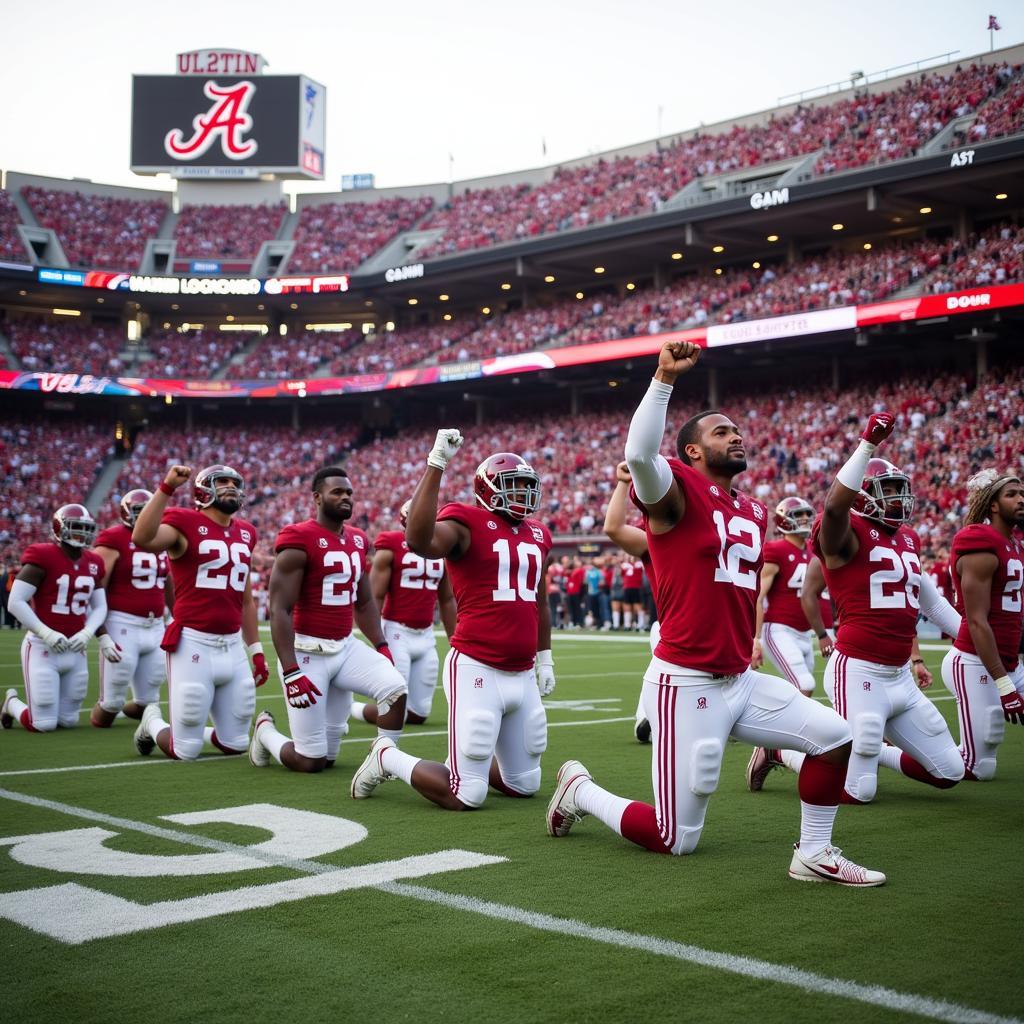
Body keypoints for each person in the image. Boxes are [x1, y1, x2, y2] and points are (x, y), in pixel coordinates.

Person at [547, 340, 885, 886]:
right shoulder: (677, 491)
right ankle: (581, 791)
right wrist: (663, 378)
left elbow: (743, 591)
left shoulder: (752, 508)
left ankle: (814, 853)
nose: (736, 435)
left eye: (737, 429)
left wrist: (750, 640)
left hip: (739, 675)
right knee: (674, 838)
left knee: (835, 738)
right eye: (721, 431)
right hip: (686, 679)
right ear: (692, 453)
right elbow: (638, 456)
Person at [748, 413, 964, 802]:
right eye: (888, 490)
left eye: (900, 489)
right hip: (859, 671)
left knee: (951, 772)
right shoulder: (845, 532)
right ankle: (780, 751)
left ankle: (866, 753)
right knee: (858, 792)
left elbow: (933, 603)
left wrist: (983, 651)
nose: (897, 498)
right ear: (863, 494)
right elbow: (832, 509)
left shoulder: (909, 538)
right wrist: (867, 445)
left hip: (899, 676)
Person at [349, 433, 555, 811]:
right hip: (478, 664)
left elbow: (540, 601)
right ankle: (387, 757)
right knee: (467, 795)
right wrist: (437, 463)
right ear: (488, 488)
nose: (524, 493)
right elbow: (419, 540)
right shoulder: (465, 520)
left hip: (522, 671)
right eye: (515, 485)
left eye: (529, 485)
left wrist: (545, 659)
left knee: (525, 784)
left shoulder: (539, 533)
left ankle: (464, 765)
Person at [249, 467, 408, 773]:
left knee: (395, 688)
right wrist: (291, 670)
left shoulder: (359, 539)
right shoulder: (299, 537)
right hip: (307, 652)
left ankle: (385, 761)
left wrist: (381, 644)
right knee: (312, 761)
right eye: (337, 492)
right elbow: (279, 608)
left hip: (345, 647)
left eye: (349, 492)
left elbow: (363, 601)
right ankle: (265, 732)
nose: (346, 497)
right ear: (318, 498)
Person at [129, 464, 269, 760]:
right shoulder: (184, 522)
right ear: (204, 490)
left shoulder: (247, 532)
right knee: (186, 750)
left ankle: (183, 729)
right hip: (193, 641)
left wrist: (255, 650)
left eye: (235, 482)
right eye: (222, 482)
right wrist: (166, 487)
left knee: (236, 744)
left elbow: (245, 600)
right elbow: (142, 539)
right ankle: (153, 723)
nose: (231, 486)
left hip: (231, 644)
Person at [941, 469, 1024, 780]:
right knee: (978, 768)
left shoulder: (1013, 543)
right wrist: (1004, 685)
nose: (1021, 499)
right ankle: (883, 750)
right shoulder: (980, 540)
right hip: (976, 663)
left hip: (1008, 661)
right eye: (1012, 494)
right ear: (992, 504)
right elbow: (977, 620)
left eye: (1022, 493)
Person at [2, 505, 110, 732]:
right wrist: (46, 633)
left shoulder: (93, 562)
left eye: (85, 528)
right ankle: (11, 704)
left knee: (68, 720)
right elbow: (15, 601)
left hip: (75, 646)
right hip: (43, 646)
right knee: (43, 724)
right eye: (76, 527)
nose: (82, 533)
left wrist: (87, 632)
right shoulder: (42, 555)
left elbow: (100, 607)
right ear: (60, 528)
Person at [349, 498, 456, 726]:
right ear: (407, 520)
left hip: (425, 635)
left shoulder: (441, 550)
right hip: (397, 632)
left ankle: (352, 708)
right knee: (394, 703)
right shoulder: (392, 545)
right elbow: (375, 596)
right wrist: (378, 639)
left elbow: (447, 599)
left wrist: (455, 641)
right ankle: (351, 710)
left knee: (418, 713)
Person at [89, 489, 172, 728]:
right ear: (126, 513)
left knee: (149, 703)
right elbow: (95, 586)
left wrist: (177, 616)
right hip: (122, 623)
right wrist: (101, 631)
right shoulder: (114, 537)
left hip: (155, 625)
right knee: (110, 705)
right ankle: (104, 713)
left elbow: (167, 581)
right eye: (140, 511)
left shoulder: (161, 538)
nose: (147, 515)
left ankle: (125, 712)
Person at [603, 459, 659, 743]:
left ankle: (647, 716)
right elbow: (613, 528)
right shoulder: (655, 536)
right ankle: (649, 716)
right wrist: (624, 483)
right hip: (673, 621)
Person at [751, 497, 818, 696]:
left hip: (805, 632)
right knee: (805, 684)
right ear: (783, 520)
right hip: (780, 630)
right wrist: (755, 638)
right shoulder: (775, 550)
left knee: (802, 691)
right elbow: (758, 596)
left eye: (807, 513)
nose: (805, 518)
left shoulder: (813, 551)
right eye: (798, 514)